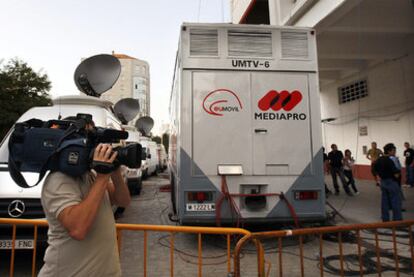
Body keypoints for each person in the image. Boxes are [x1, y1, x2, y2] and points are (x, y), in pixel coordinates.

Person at [39, 143, 131, 276]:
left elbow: (123, 201)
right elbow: (78, 229)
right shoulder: (59, 179)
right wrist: (103, 176)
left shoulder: (92, 175)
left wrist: (115, 171)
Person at [374, 143, 402, 222]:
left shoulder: (379, 160)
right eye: (394, 151)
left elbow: (374, 170)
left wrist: (378, 177)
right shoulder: (389, 161)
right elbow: (396, 174)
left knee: (385, 202)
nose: (395, 152)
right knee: (395, 201)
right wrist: (398, 174)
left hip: (383, 182)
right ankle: (397, 220)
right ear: (389, 151)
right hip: (391, 182)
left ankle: (385, 219)